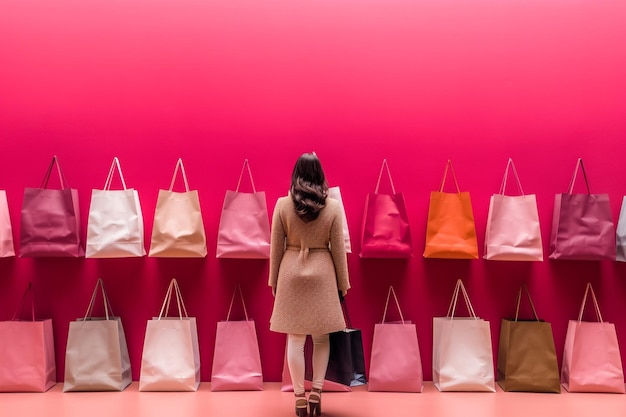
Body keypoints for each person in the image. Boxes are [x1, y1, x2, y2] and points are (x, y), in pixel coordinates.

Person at [269, 153, 350, 417]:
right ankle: (316, 392)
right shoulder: (334, 207)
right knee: (321, 337)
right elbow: (338, 250)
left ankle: (300, 398)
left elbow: (276, 250)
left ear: (296, 174)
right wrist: (343, 283)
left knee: (295, 338)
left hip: (290, 273)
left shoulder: (282, 205)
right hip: (323, 274)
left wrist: (274, 281)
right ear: (319, 174)